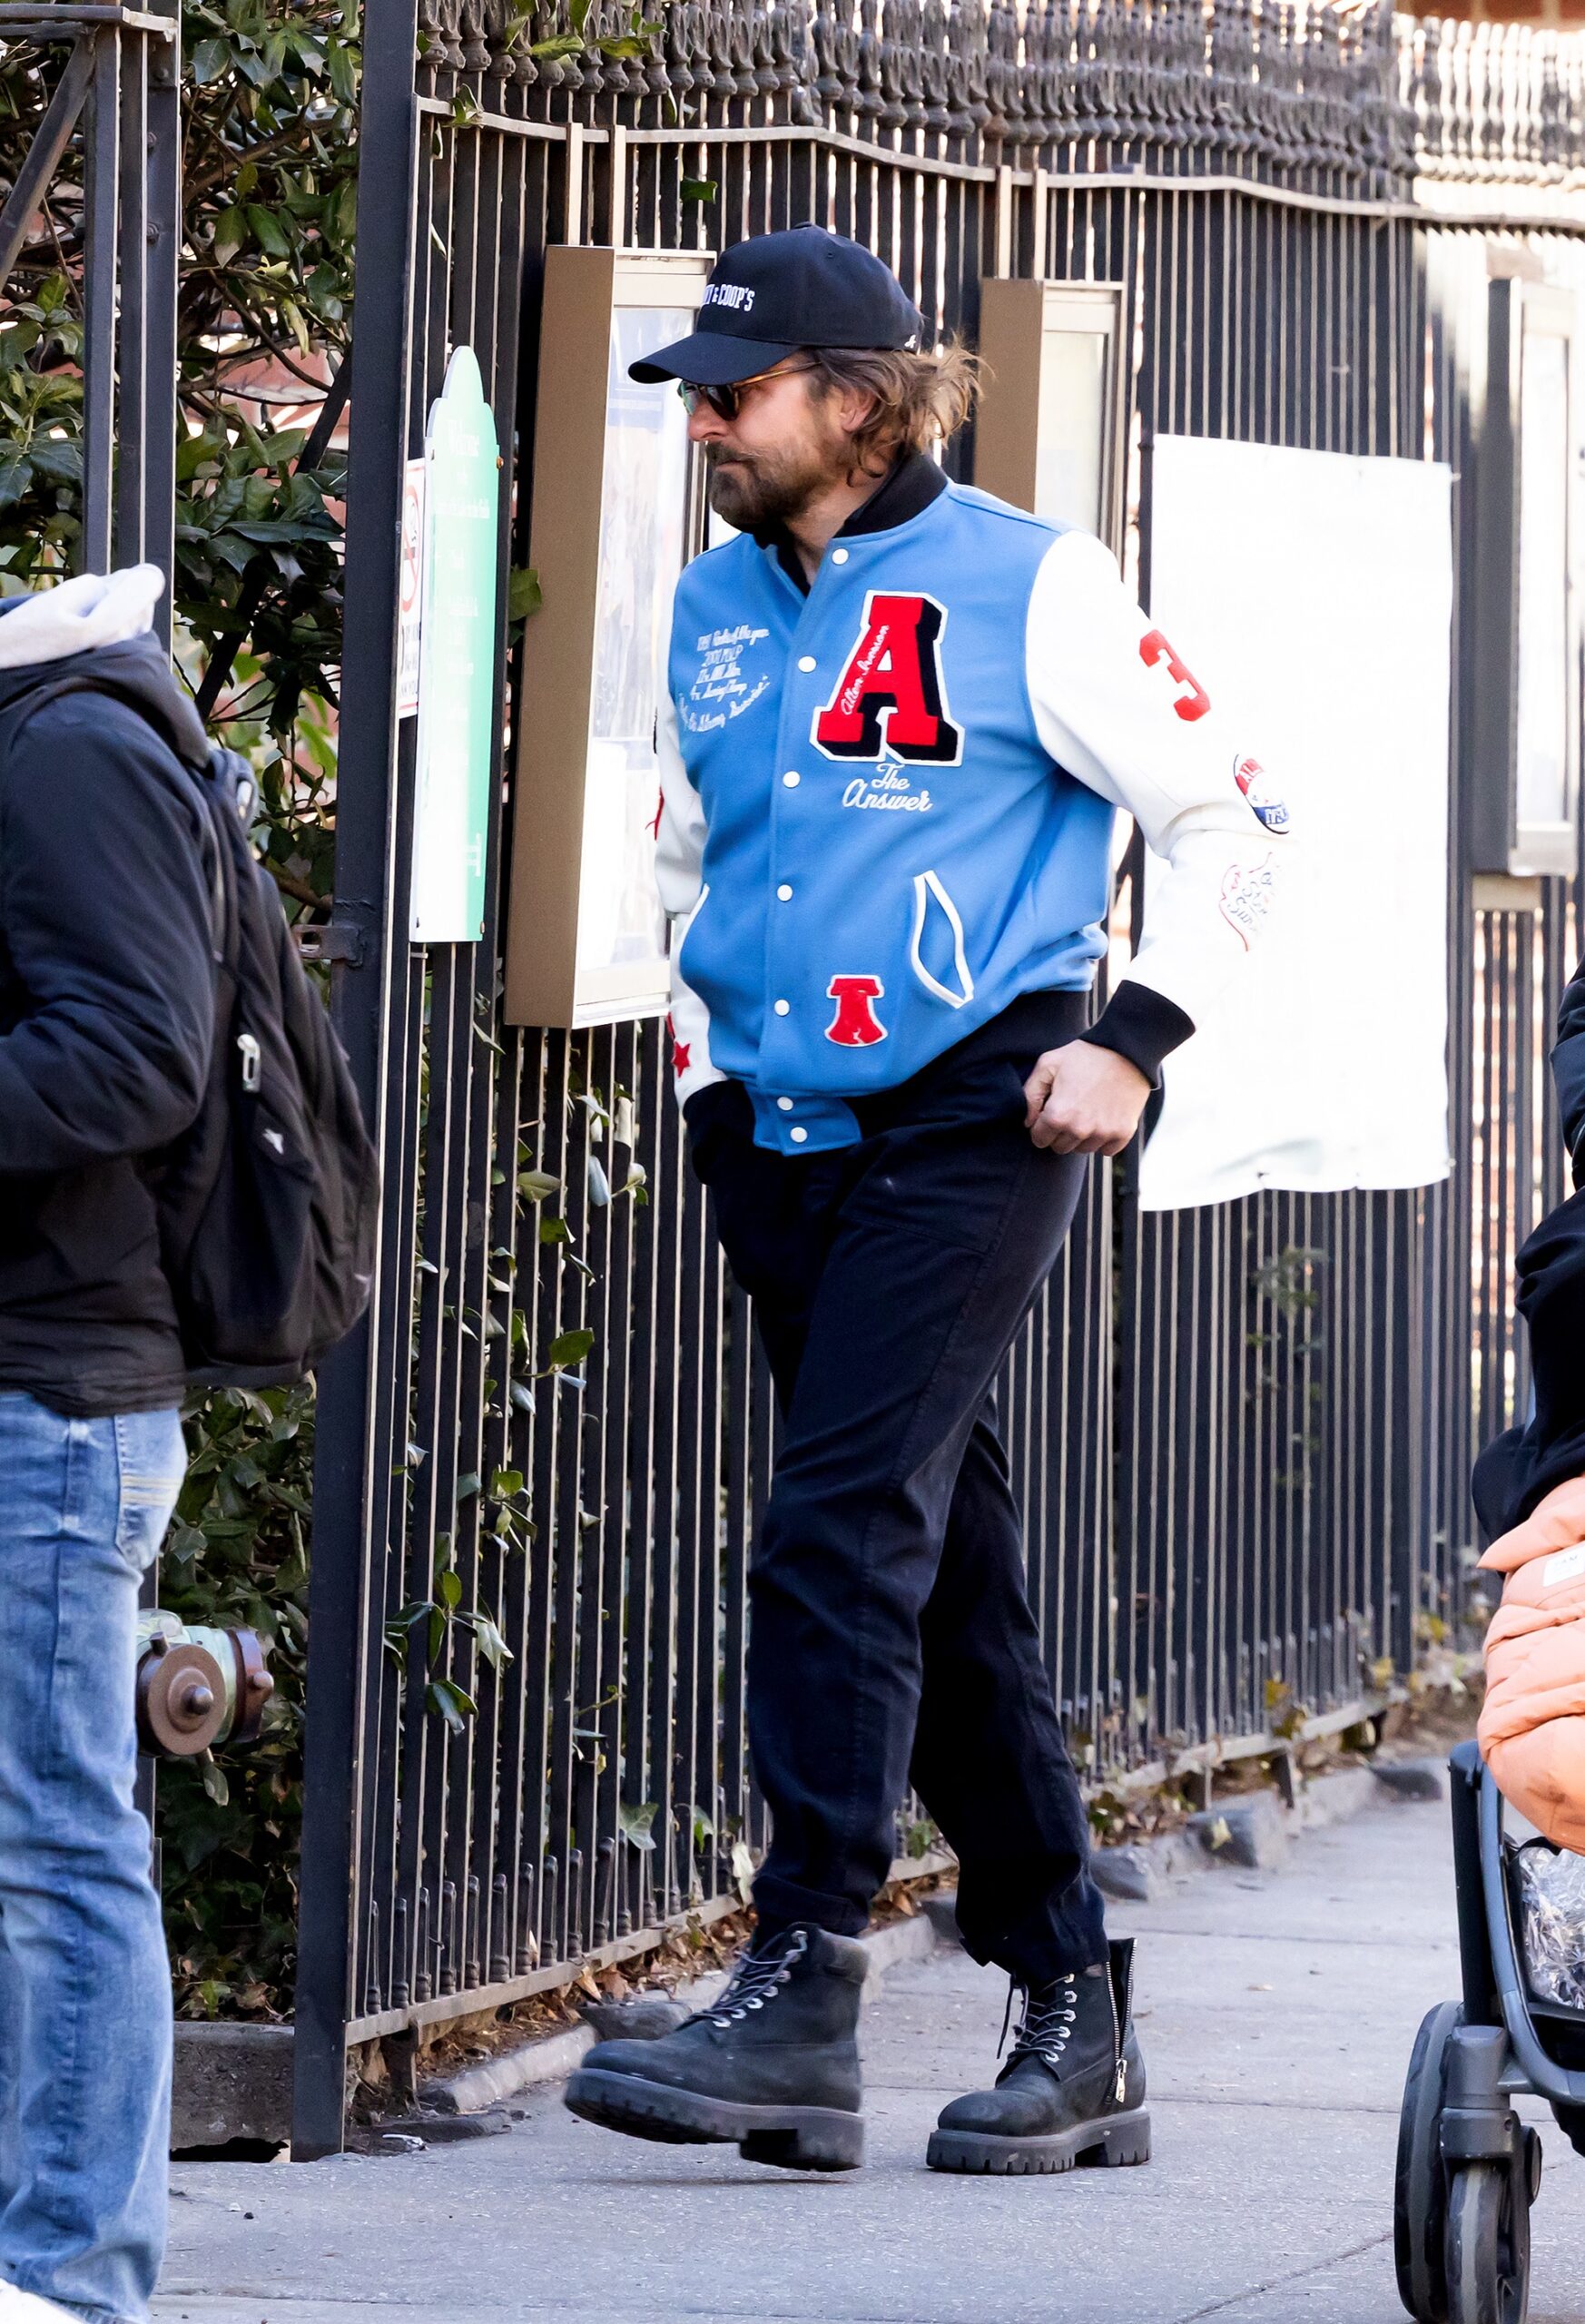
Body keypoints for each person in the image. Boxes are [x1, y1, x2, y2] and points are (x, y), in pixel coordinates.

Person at [565, 226, 1287, 2177]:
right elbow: (695, 832)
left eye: (737, 389)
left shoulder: (1032, 586)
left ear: (860, 403)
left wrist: (1130, 1036)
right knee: (934, 1563)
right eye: (697, 392)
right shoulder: (717, 601)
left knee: (832, 1530)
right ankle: (1073, 2002)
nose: (703, 419)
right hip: (775, 1129)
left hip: (977, 1114)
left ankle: (804, 1973)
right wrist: (705, 1053)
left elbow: (1239, 809)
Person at [0, 568, 214, 2321]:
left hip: (45, 1397)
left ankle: (70, 2281)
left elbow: (139, 1053)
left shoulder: (66, 740)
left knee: (50, 1842)